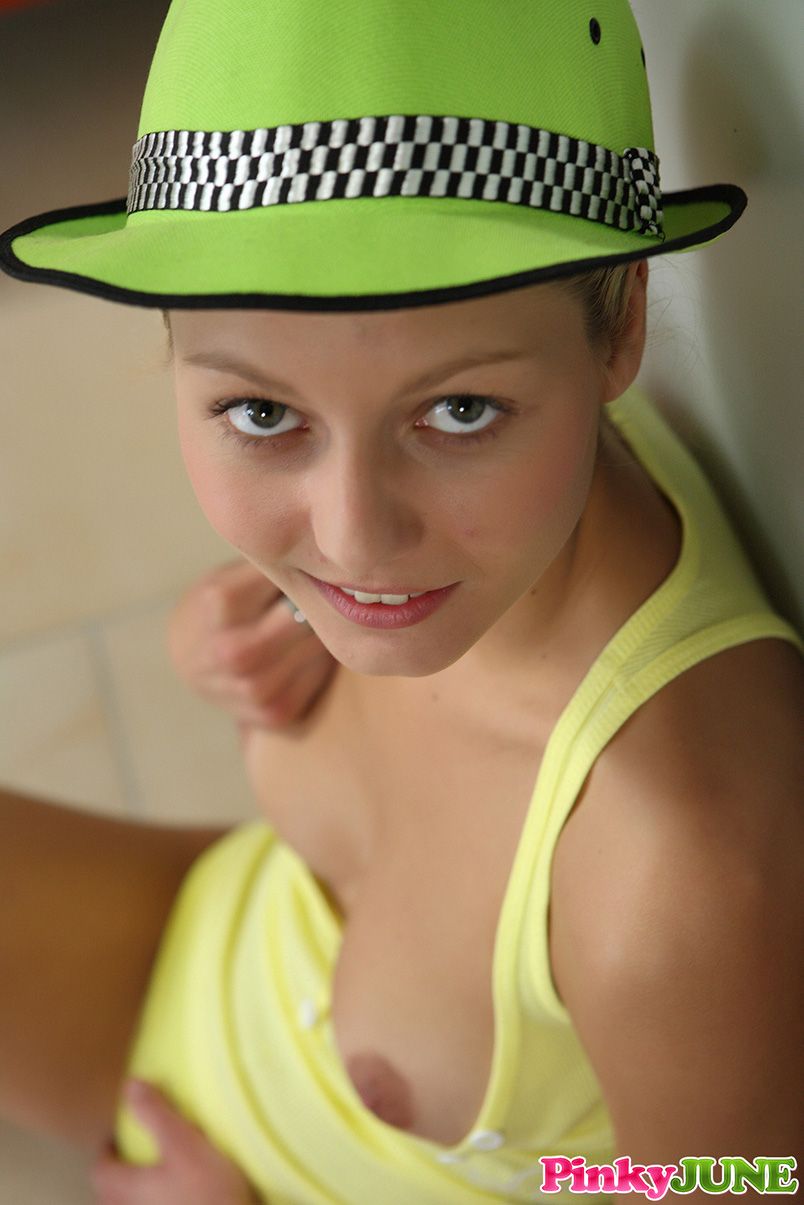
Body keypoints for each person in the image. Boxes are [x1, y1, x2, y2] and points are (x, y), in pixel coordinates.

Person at [1, 1, 803, 1202]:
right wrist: (221, 640)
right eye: (262, 413)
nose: (352, 539)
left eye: (459, 412)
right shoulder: (511, 507)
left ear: (622, 325)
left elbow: (729, 1182)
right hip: (218, 934)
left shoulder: (674, 873)